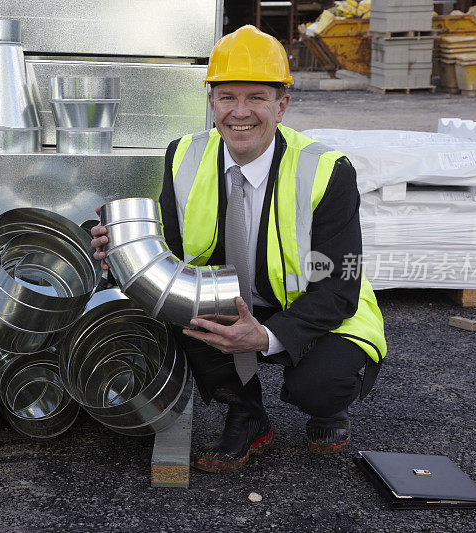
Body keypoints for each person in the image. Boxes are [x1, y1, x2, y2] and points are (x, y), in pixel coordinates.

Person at [91, 25, 386, 473]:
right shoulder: (184, 155)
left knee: (319, 385)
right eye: (227, 97)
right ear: (211, 103)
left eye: (257, 98)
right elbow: (170, 251)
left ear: (281, 105)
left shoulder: (328, 172)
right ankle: (247, 415)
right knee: (170, 310)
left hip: (316, 306)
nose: (240, 112)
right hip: (231, 298)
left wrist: (266, 338)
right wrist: (123, 247)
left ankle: (329, 410)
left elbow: (338, 288)